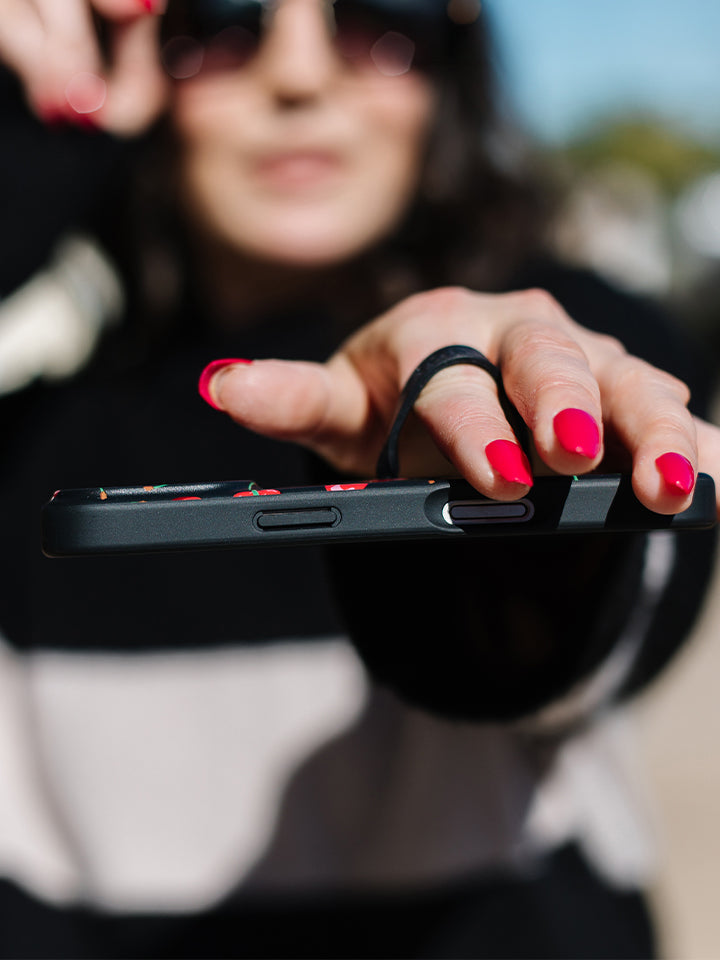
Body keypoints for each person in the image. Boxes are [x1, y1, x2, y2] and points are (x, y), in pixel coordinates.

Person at [0, 1, 717, 957]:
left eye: (381, 16)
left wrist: (517, 483)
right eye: (221, 21)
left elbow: (564, 645)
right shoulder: (32, 435)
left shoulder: (582, 335)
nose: (299, 77)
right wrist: (44, 127)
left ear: (449, 69)